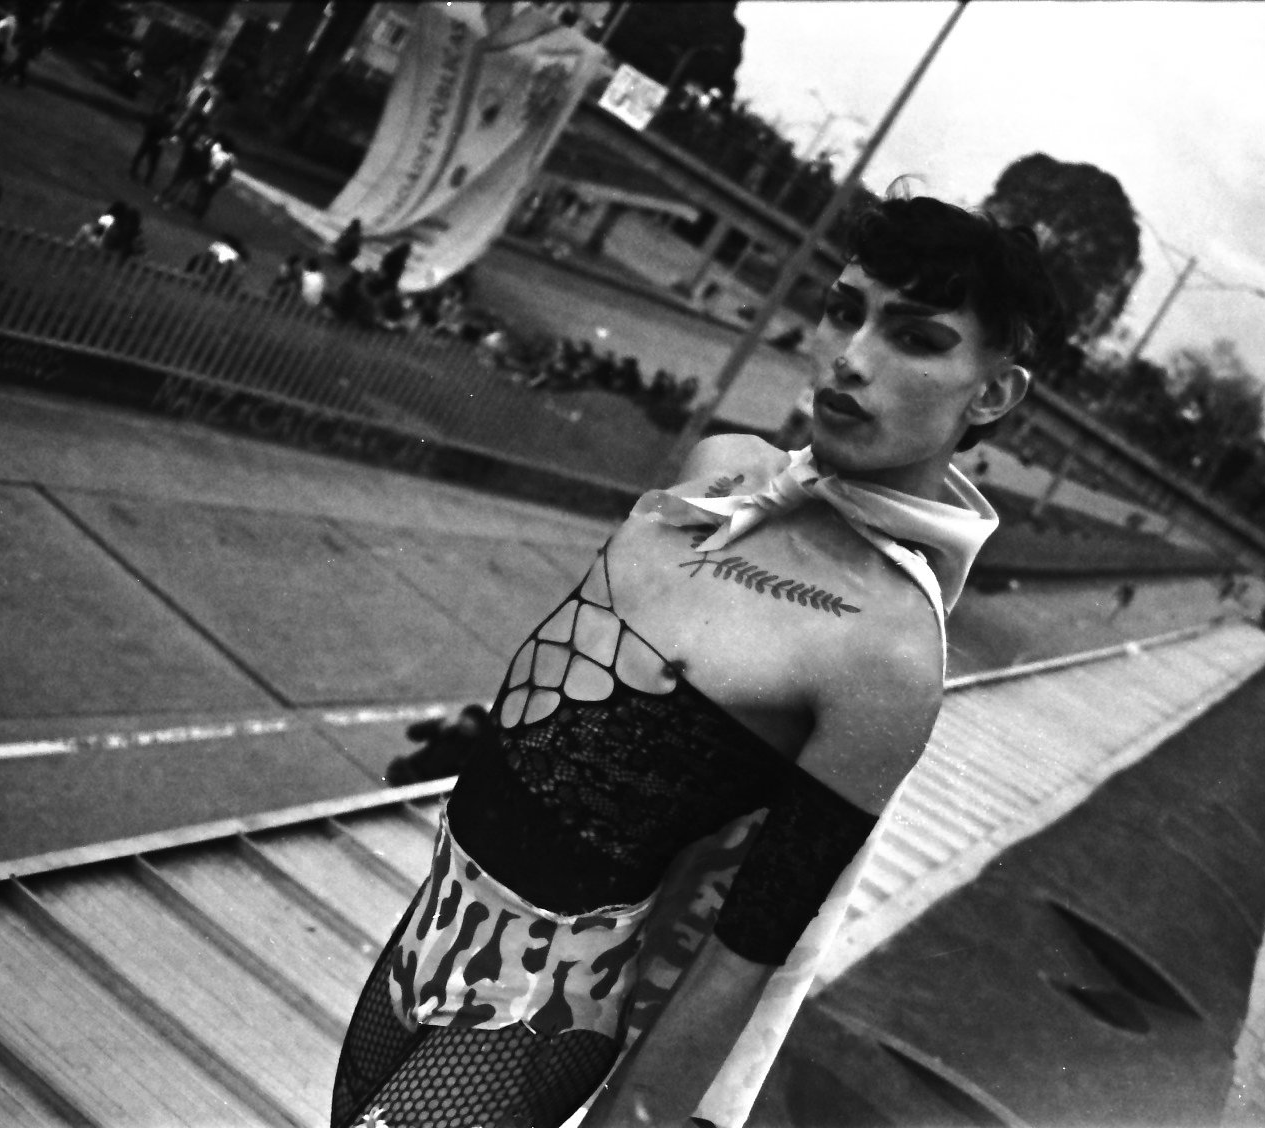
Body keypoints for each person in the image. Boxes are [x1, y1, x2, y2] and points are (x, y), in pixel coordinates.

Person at [328, 190, 1063, 1128]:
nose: (853, 355)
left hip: (537, 1005)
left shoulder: (888, 650)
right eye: (846, 310)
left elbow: (747, 950)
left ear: (993, 393)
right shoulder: (717, 470)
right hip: (424, 925)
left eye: (915, 338)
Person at [130, 105, 171, 185]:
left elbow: (149, 123)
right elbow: (166, 134)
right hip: (157, 142)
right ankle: (147, 179)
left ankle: (133, 171)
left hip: (149, 139)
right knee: (152, 163)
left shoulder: (157, 115)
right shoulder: (168, 122)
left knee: (140, 156)